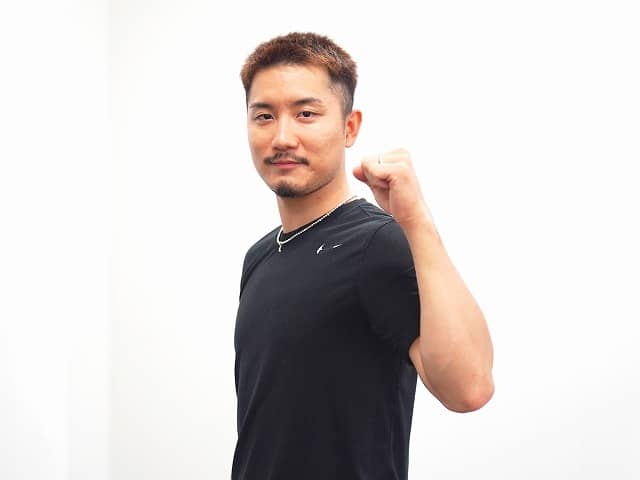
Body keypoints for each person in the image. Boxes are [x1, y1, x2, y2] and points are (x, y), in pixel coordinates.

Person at [232, 31, 494, 480]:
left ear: (349, 127)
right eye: (264, 116)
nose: (282, 136)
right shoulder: (260, 257)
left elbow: (469, 388)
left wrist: (416, 222)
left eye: (306, 114)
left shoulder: (376, 244)